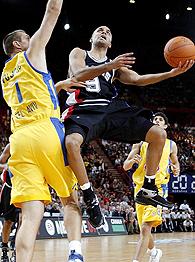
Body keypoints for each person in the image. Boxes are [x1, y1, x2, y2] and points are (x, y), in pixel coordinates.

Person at [59, 25, 193, 225]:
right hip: (84, 108)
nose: (104, 31)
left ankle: (148, 188)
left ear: (110, 43)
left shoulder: (115, 67)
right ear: (91, 38)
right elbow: (78, 75)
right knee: (71, 143)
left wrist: (170, 74)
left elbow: (138, 79)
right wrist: (109, 66)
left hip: (111, 109)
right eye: (99, 30)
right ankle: (90, 196)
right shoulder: (79, 53)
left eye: (108, 31)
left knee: (158, 134)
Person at [1, 1, 86, 261]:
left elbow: (33, 94)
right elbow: (52, 11)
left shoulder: (5, 73)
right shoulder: (32, 52)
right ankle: (75, 253)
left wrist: (57, 85)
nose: (31, 37)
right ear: (18, 44)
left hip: (20, 140)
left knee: (29, 216)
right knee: (69, 199)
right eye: (26, 37)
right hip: (46, 131)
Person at [123, 112, 180, 262]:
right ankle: (154, 252)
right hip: (140, 188)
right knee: (143, 227)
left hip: (158, 189)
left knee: (145, 228)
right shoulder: (140, 142)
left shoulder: (171, 145)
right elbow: (125, 165)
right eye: (155, 119)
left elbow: (176, 163)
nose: (157, 121)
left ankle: (136, 260)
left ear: (165, 126)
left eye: (161, 119)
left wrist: (176, 168)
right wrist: (132, 161)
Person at [0, 143, 19, 262]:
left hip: (25, 187)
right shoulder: (12, 144)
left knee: (23, 220)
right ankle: (5, 250)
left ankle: (18, 249)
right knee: (8, 222)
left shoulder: (35, 143)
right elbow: (1, 160)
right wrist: (6, 166)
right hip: (10, 188)